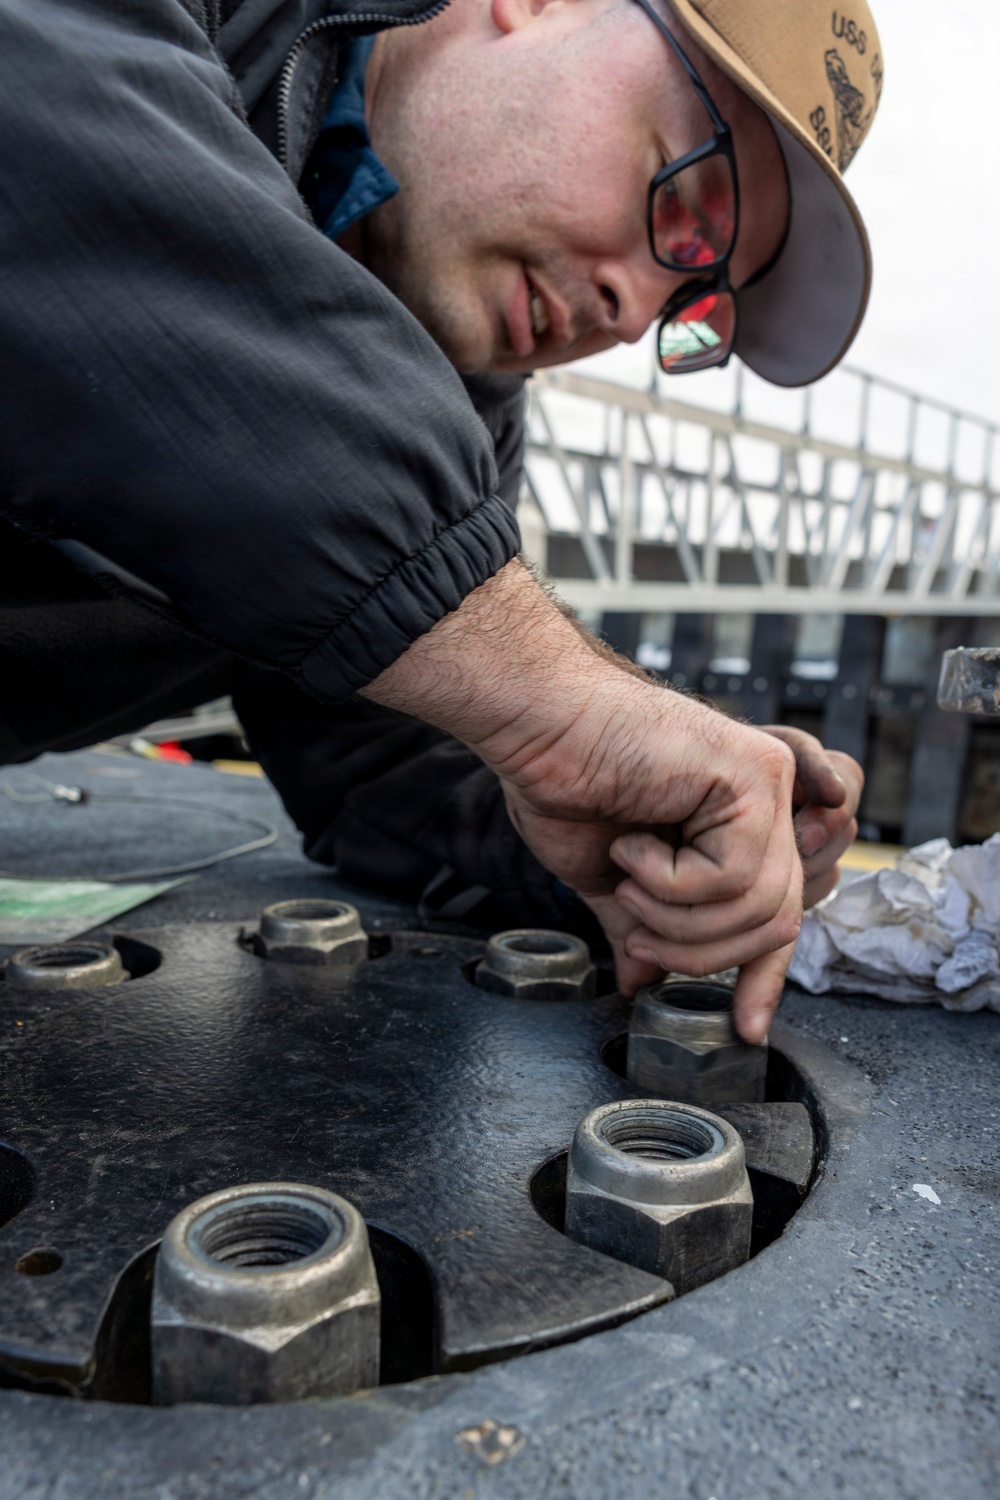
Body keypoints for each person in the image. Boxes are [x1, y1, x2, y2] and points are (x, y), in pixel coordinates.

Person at [0, 0, 880, 1041]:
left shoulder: (455, 422)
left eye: (691, 300)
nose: (630, 310)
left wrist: (636, 845)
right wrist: (544, 693)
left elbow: (372, 760)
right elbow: (45, 131)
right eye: (683, 204)